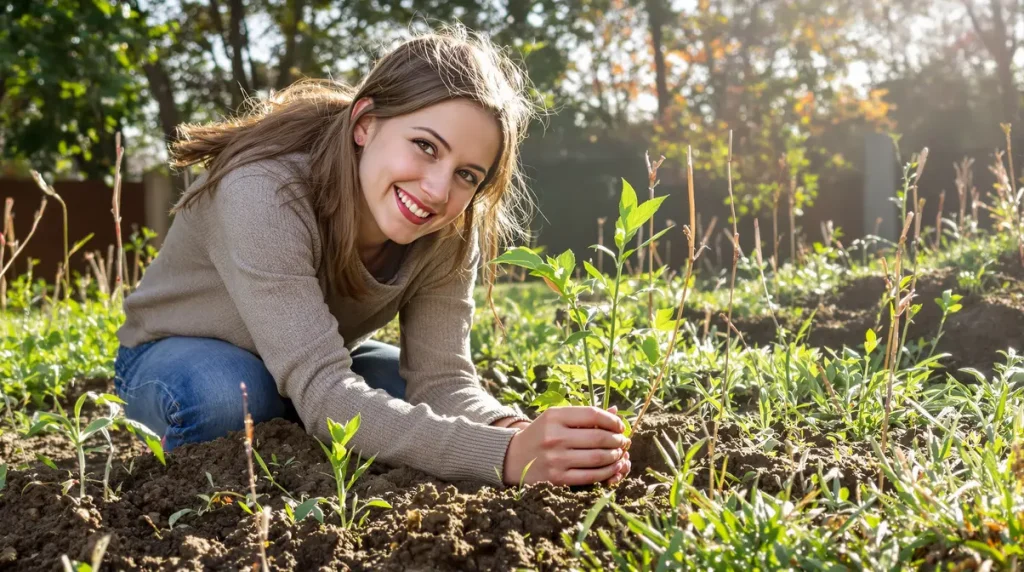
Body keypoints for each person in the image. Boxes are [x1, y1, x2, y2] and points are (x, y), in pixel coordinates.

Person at [113, 26, 631, 487]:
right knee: (227, 398)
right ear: (366, 123)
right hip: (178, 356)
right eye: (426, 146)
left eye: (467, 174)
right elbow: (324, 385)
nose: (436, 189)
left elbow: (444, 380)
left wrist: (514, 432)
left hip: (309, 365)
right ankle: (300, 427)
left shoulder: (448, 225)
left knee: (406, 397)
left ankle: (312, 426)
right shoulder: (265, 190)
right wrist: (502, 457)